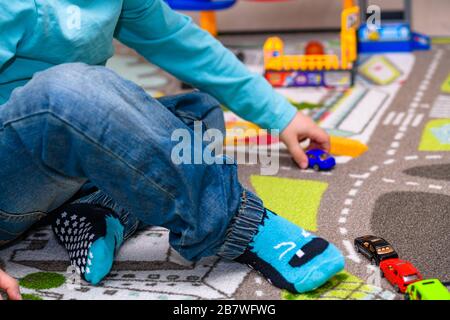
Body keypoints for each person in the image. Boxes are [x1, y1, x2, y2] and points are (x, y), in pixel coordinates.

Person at [0, 0, 344, 300]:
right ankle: (238, 223)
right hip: (11, 177)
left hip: (67, 160)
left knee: (199, 112)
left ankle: (103, 207)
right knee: (72, 90)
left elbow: (180, 42)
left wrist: (280, 115)